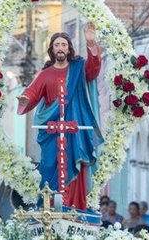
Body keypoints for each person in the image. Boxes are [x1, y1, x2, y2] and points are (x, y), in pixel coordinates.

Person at [16, 29, 103, 211]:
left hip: (74, 130)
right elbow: (32, 92)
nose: (60, 48)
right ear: (52, 50)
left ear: (69, 48)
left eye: (64, 44)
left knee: (75, 164)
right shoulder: (45, 74)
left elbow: (93, 70)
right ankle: (48, 208)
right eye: (57, 45)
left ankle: (73, 207)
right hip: (51, 132)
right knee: (48, 166)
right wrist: (25, 98)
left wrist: (91, 44)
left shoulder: (78, 68)